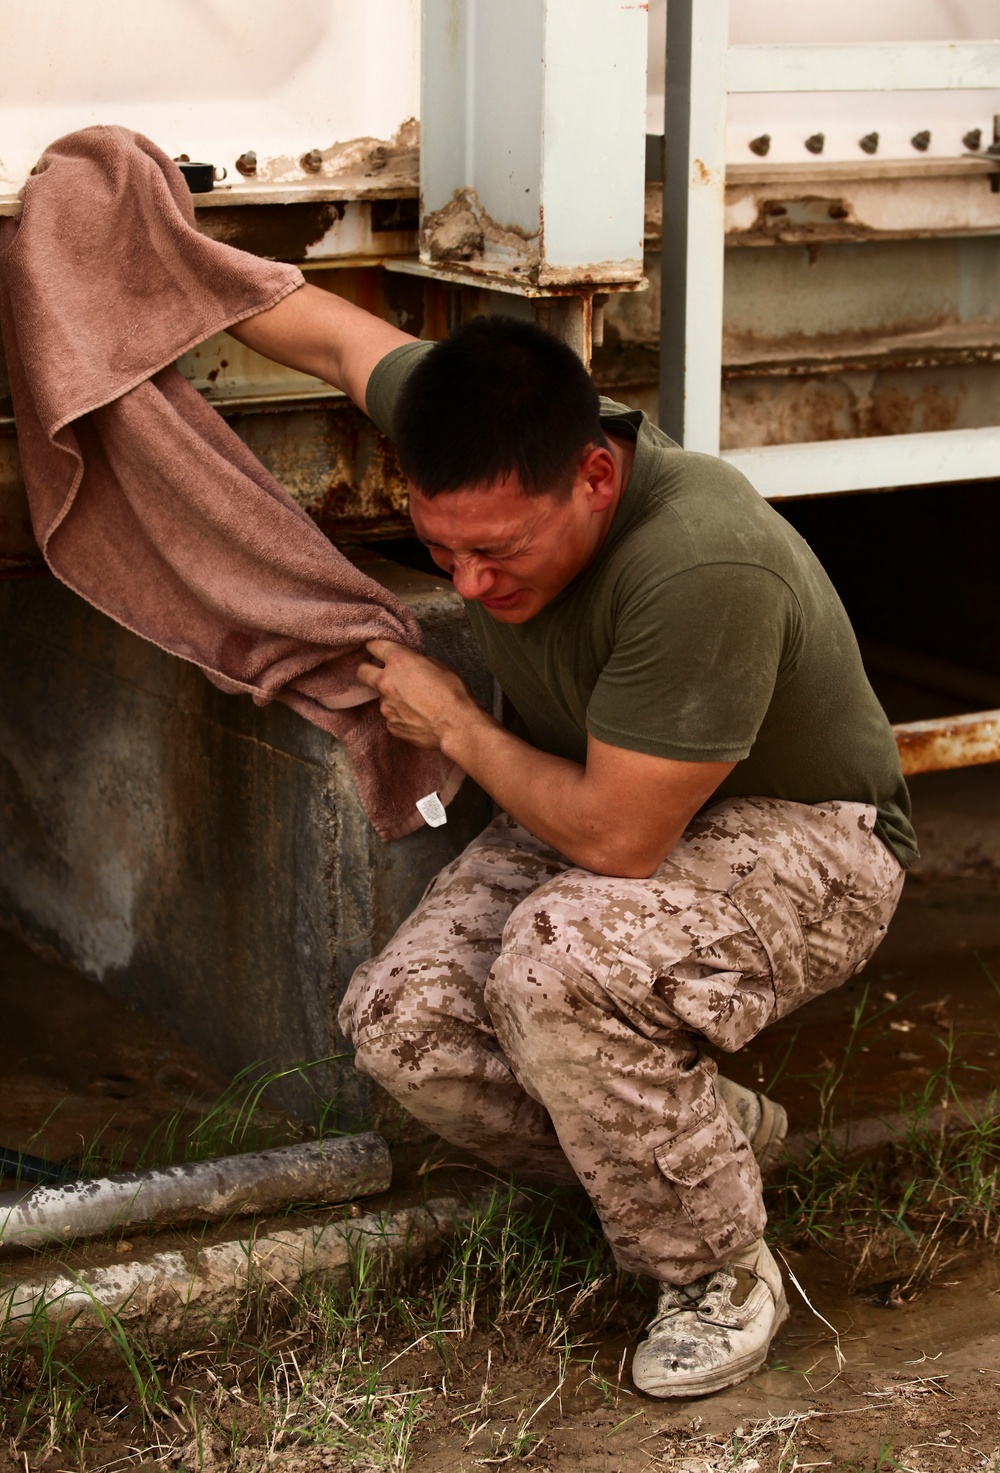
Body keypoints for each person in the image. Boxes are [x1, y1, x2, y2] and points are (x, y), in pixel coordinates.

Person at [228, 286, 916, 1398]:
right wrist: (144, 248)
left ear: (595, 476)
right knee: (403, 1027)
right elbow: (326, 331)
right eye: (440, 551)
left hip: (815, 842)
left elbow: (618, 837)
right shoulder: (480, 423)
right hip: (597, 801)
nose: (469, 584)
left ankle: (715, 1268)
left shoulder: (702, 558)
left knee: (561, 962)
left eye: (498, 552)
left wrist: (453, 723)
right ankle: (700, 1140)